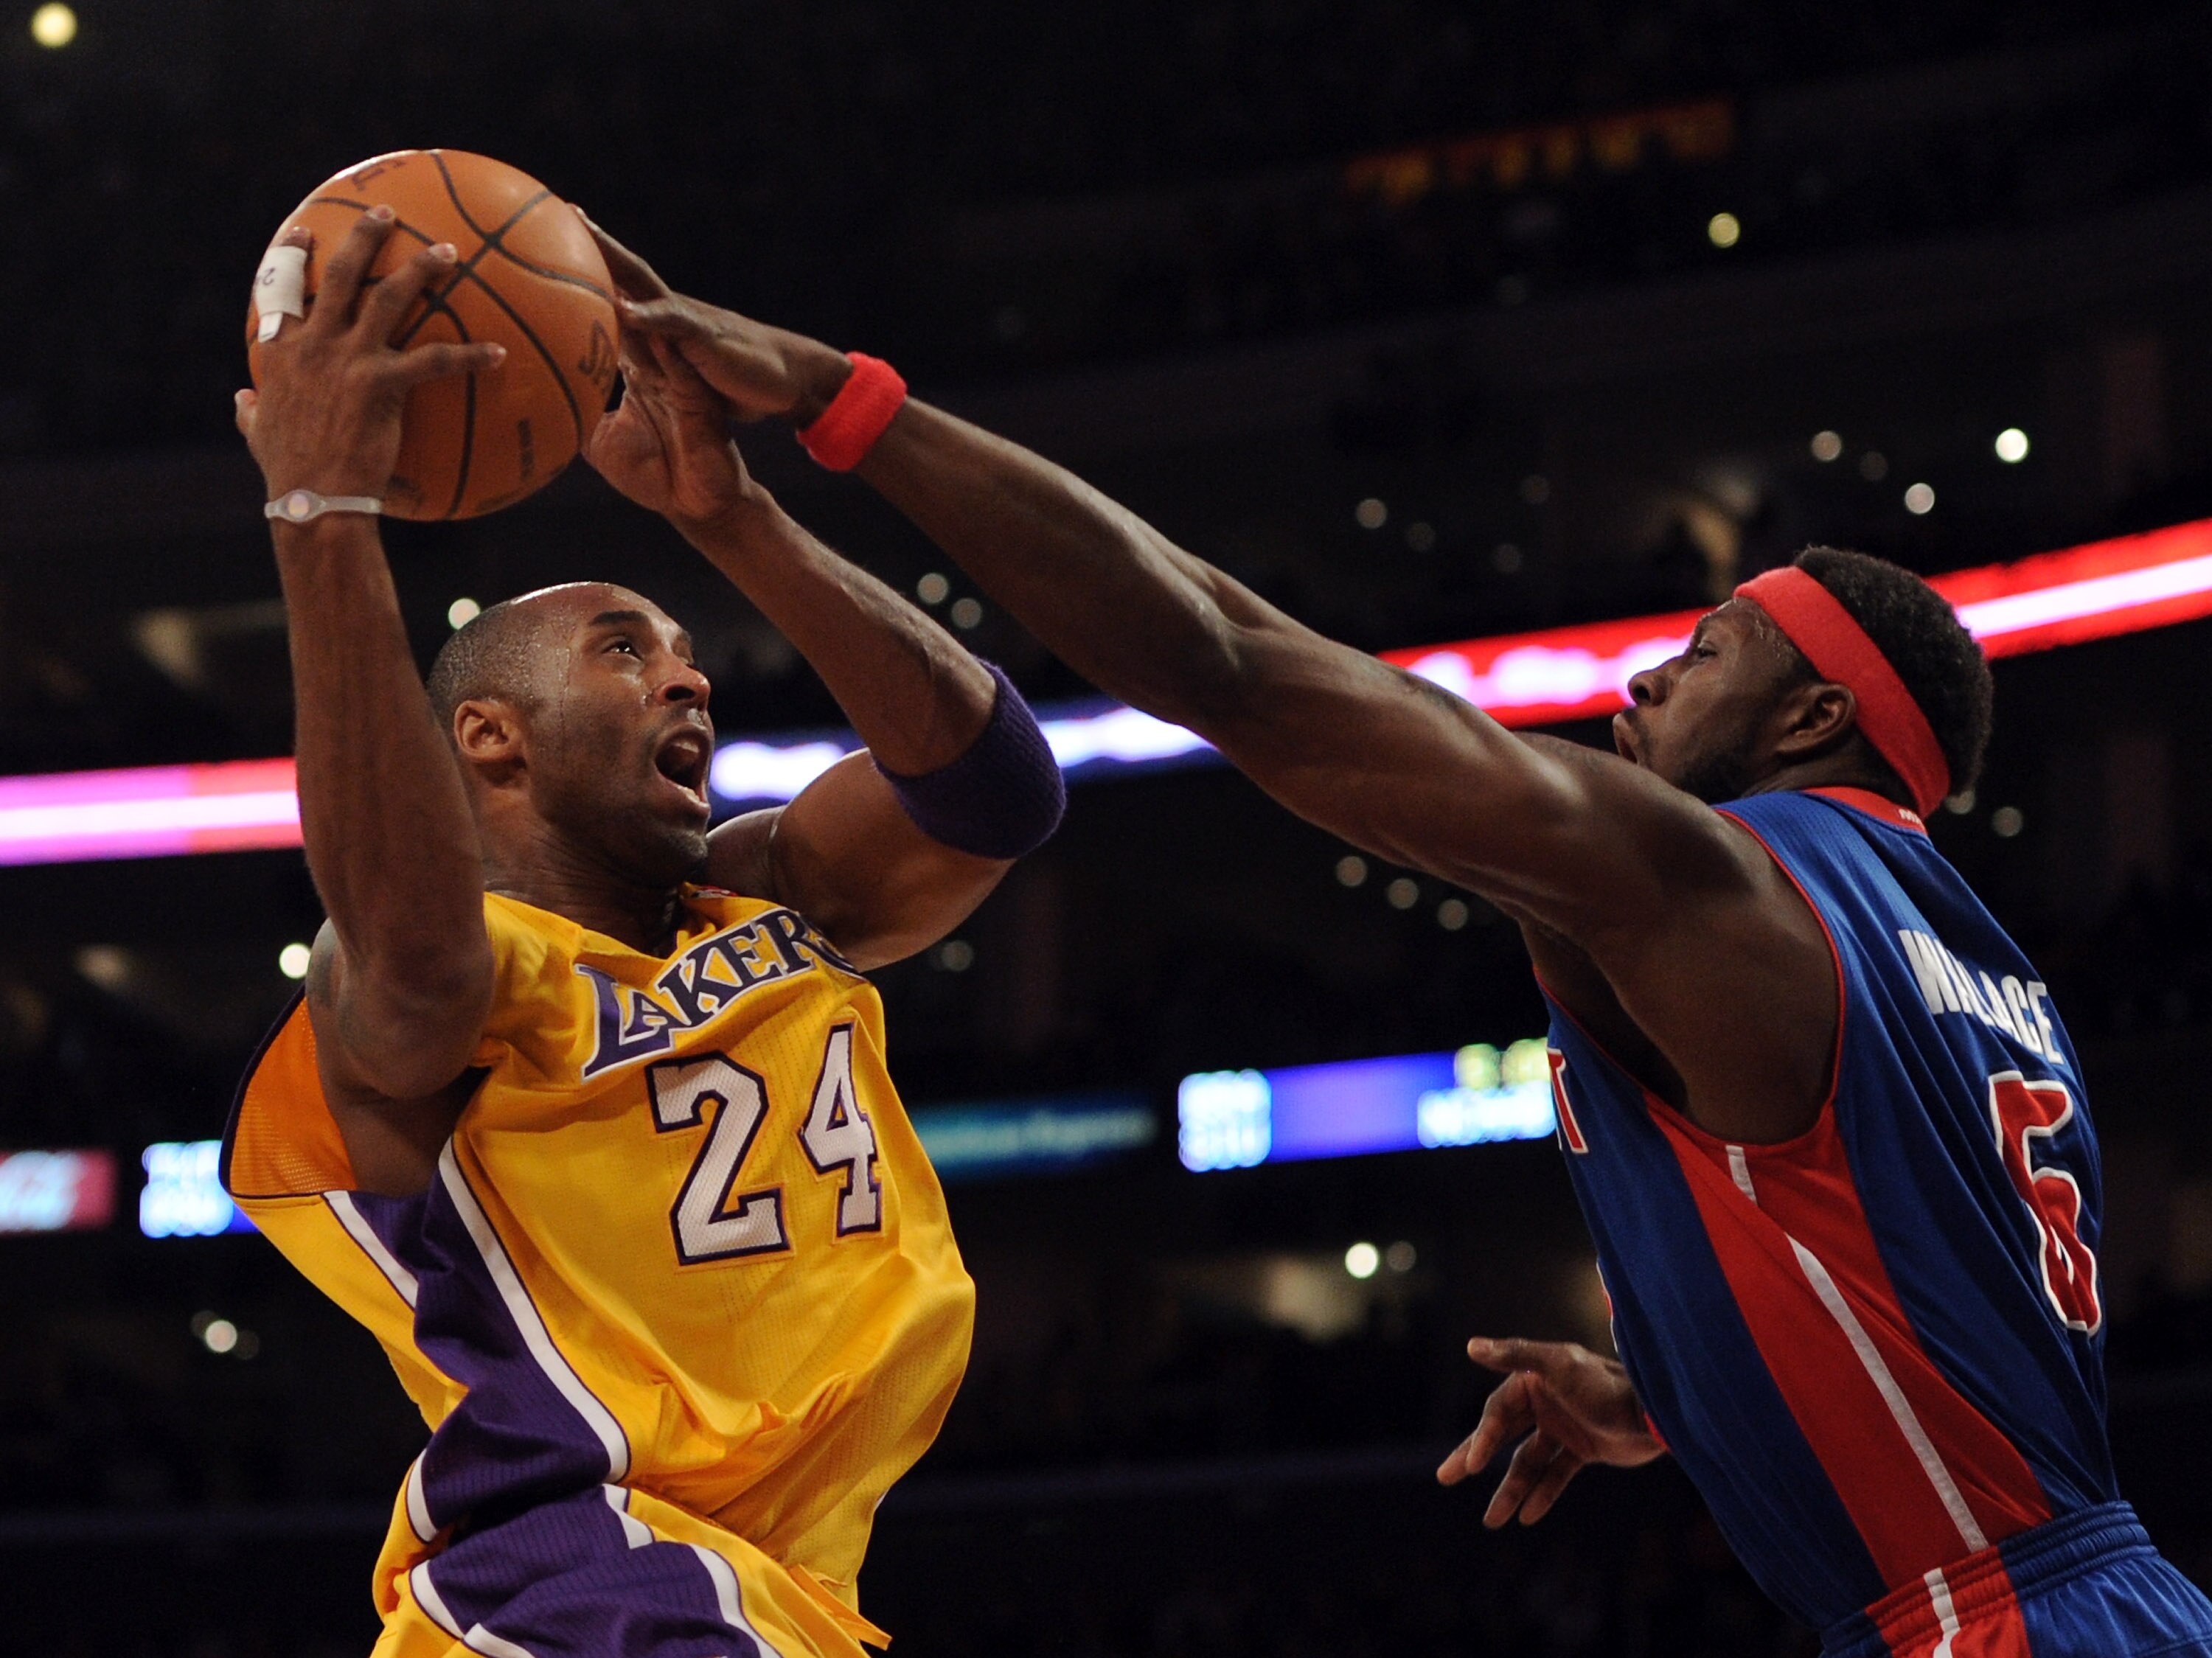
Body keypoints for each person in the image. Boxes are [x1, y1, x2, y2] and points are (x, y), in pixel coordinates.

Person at [586, 215, 2212, 1657]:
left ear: (1814, 712)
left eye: (1706, 652)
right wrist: (1674, 1402)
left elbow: (1231, 659)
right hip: (2099, 1592)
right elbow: (1923, 1300)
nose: (1645, 680)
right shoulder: (1977, 956)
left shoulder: (1715, 884)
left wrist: (839, 403)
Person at [221, 206, 1062, 1657]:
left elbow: (996, 792)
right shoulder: (428, 978)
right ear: (487, 737)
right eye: (626, 650)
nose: (692, 685)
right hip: (584, 1567)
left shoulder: (778, 897)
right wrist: (323, 512)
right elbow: (414, 956)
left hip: (780, 1590)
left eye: (685, 657)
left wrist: (727, 514)